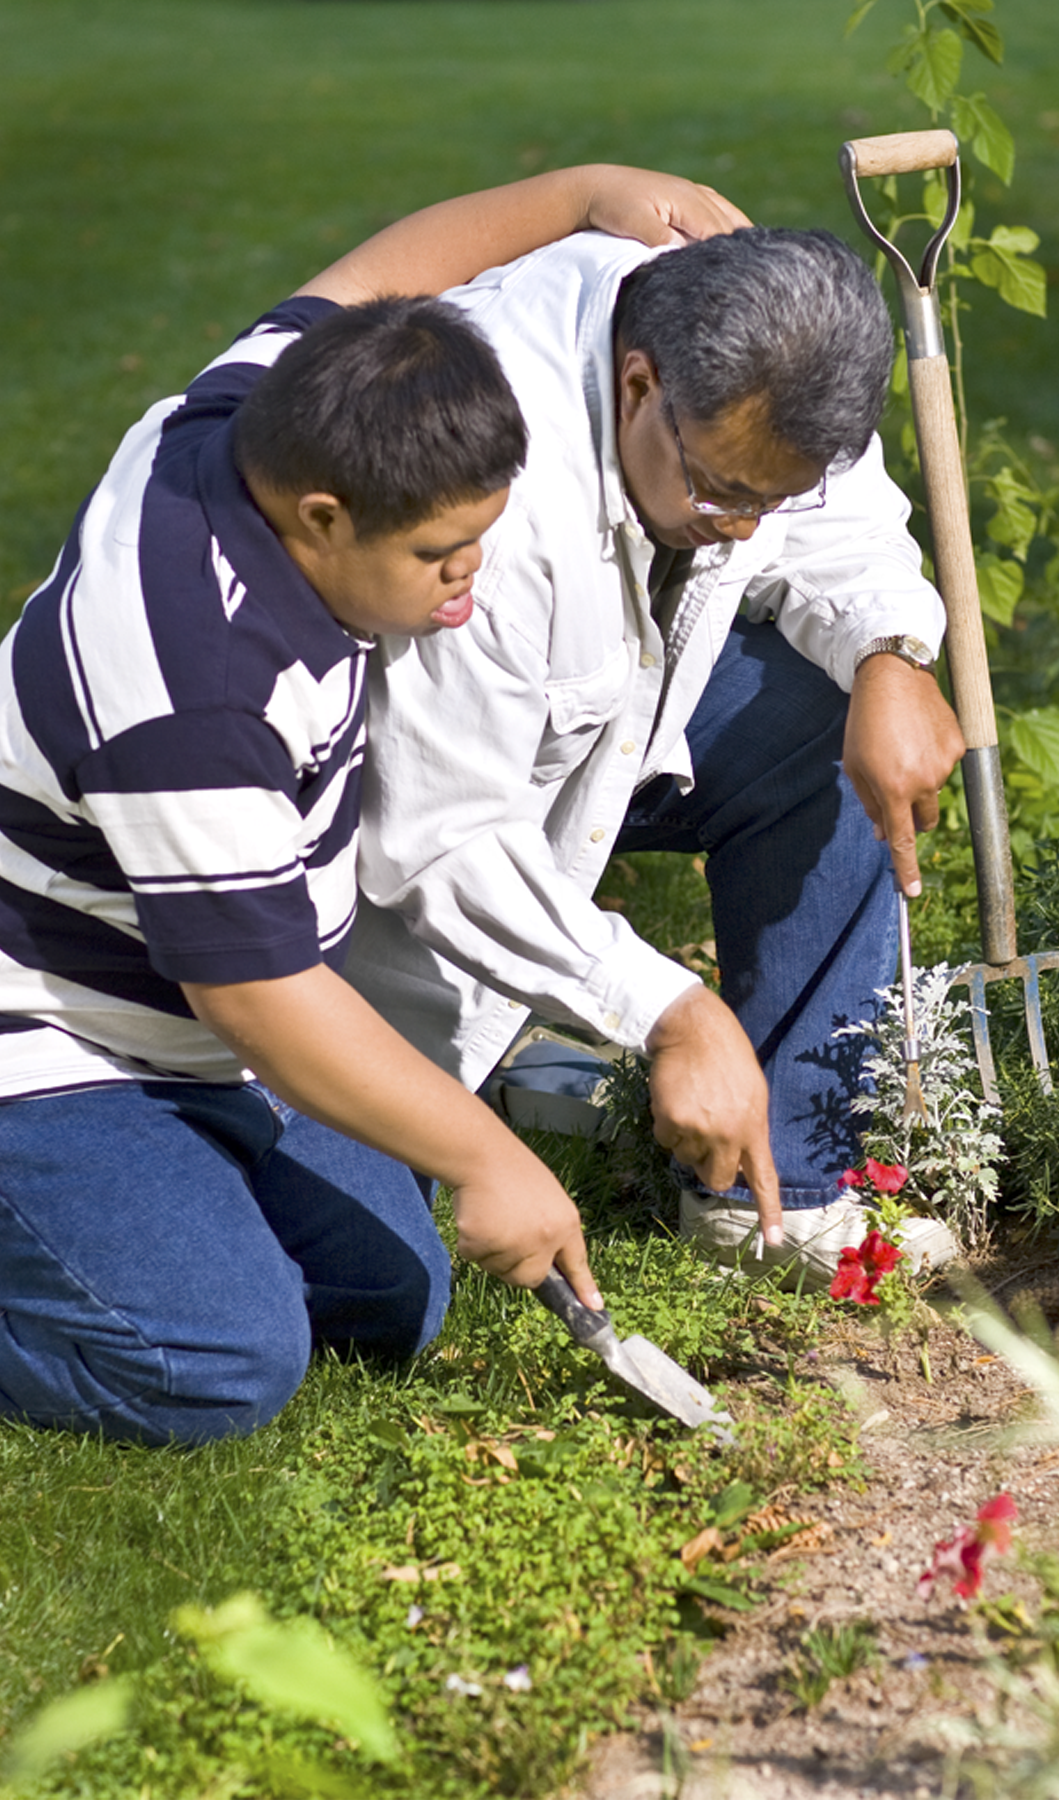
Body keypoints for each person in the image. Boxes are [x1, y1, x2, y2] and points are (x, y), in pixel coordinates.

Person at [0, 165, 748, 1446]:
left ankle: (153, 1197)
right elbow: (269, 1005)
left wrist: (584, 194)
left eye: (483, 544)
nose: (467, 589)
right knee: (217, 1362)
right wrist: (484, 1154)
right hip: (55, 1022)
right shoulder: (193, 686)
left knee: (391, 1298)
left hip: (202, 1019)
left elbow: (376, 279)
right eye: (437, 559)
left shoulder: (258, 415)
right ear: (323, 515)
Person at [346, 222, 968, 1287]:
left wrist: (892, 655)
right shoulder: (487, 478)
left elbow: (845, 529)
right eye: (724, 490)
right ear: (637, 385)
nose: (742, 529)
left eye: (776, 497)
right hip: (373, 860)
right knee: (375, 1289)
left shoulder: (770, 366)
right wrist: (665, 1011)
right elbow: (438, 839)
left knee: (821, 719)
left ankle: (774, 1200)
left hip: (595, 726)